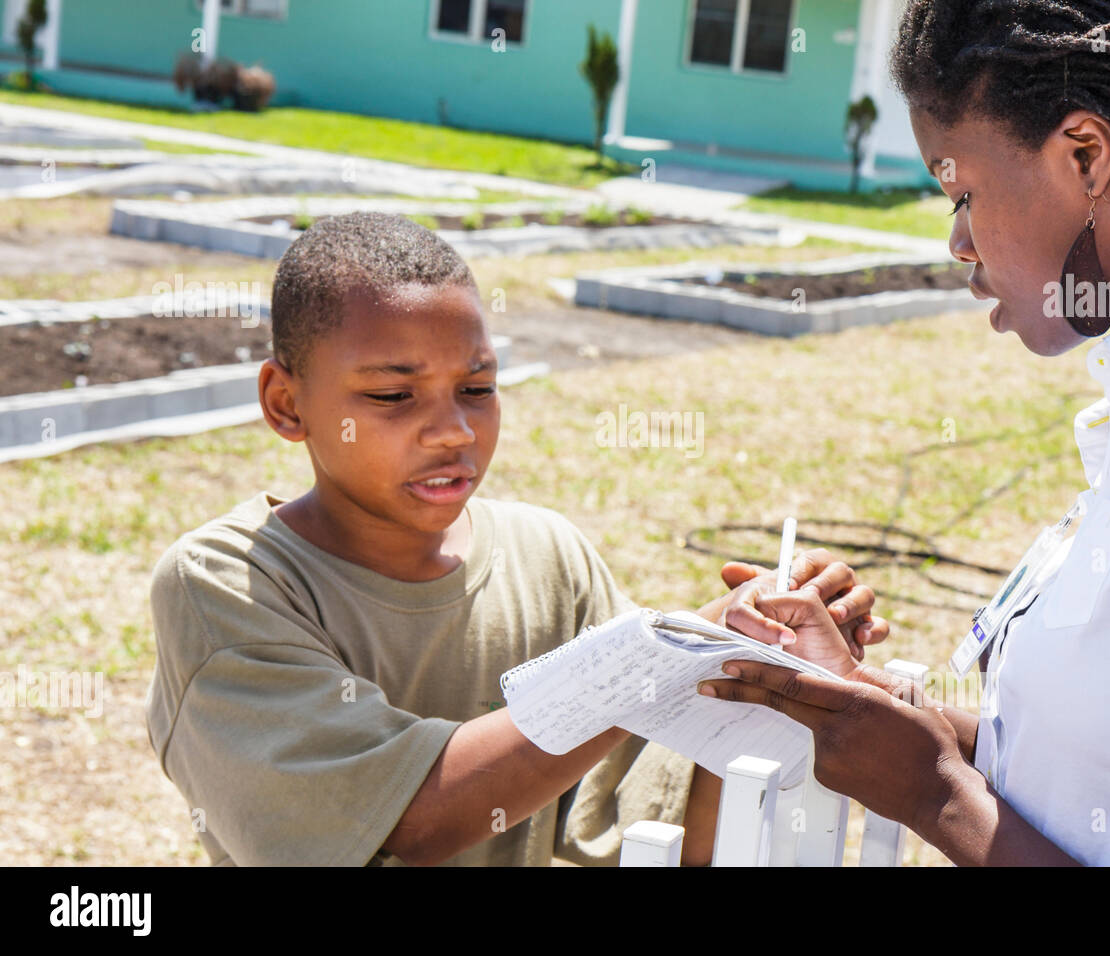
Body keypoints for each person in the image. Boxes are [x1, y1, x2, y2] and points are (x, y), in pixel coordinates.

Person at [700, 0, 1110, 866]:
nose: (955, 241)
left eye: (962, 194)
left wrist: (935, 792)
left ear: (1086, 157)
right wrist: (878, 707)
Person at [144, 212, 878, 866]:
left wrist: (752, 664)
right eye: (394, 395)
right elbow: (415, 820)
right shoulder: (224, 584)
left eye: (478, 388)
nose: (454, 431)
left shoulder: (545, 557)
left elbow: (666, 830)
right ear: (285, 402)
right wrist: (664, 653)